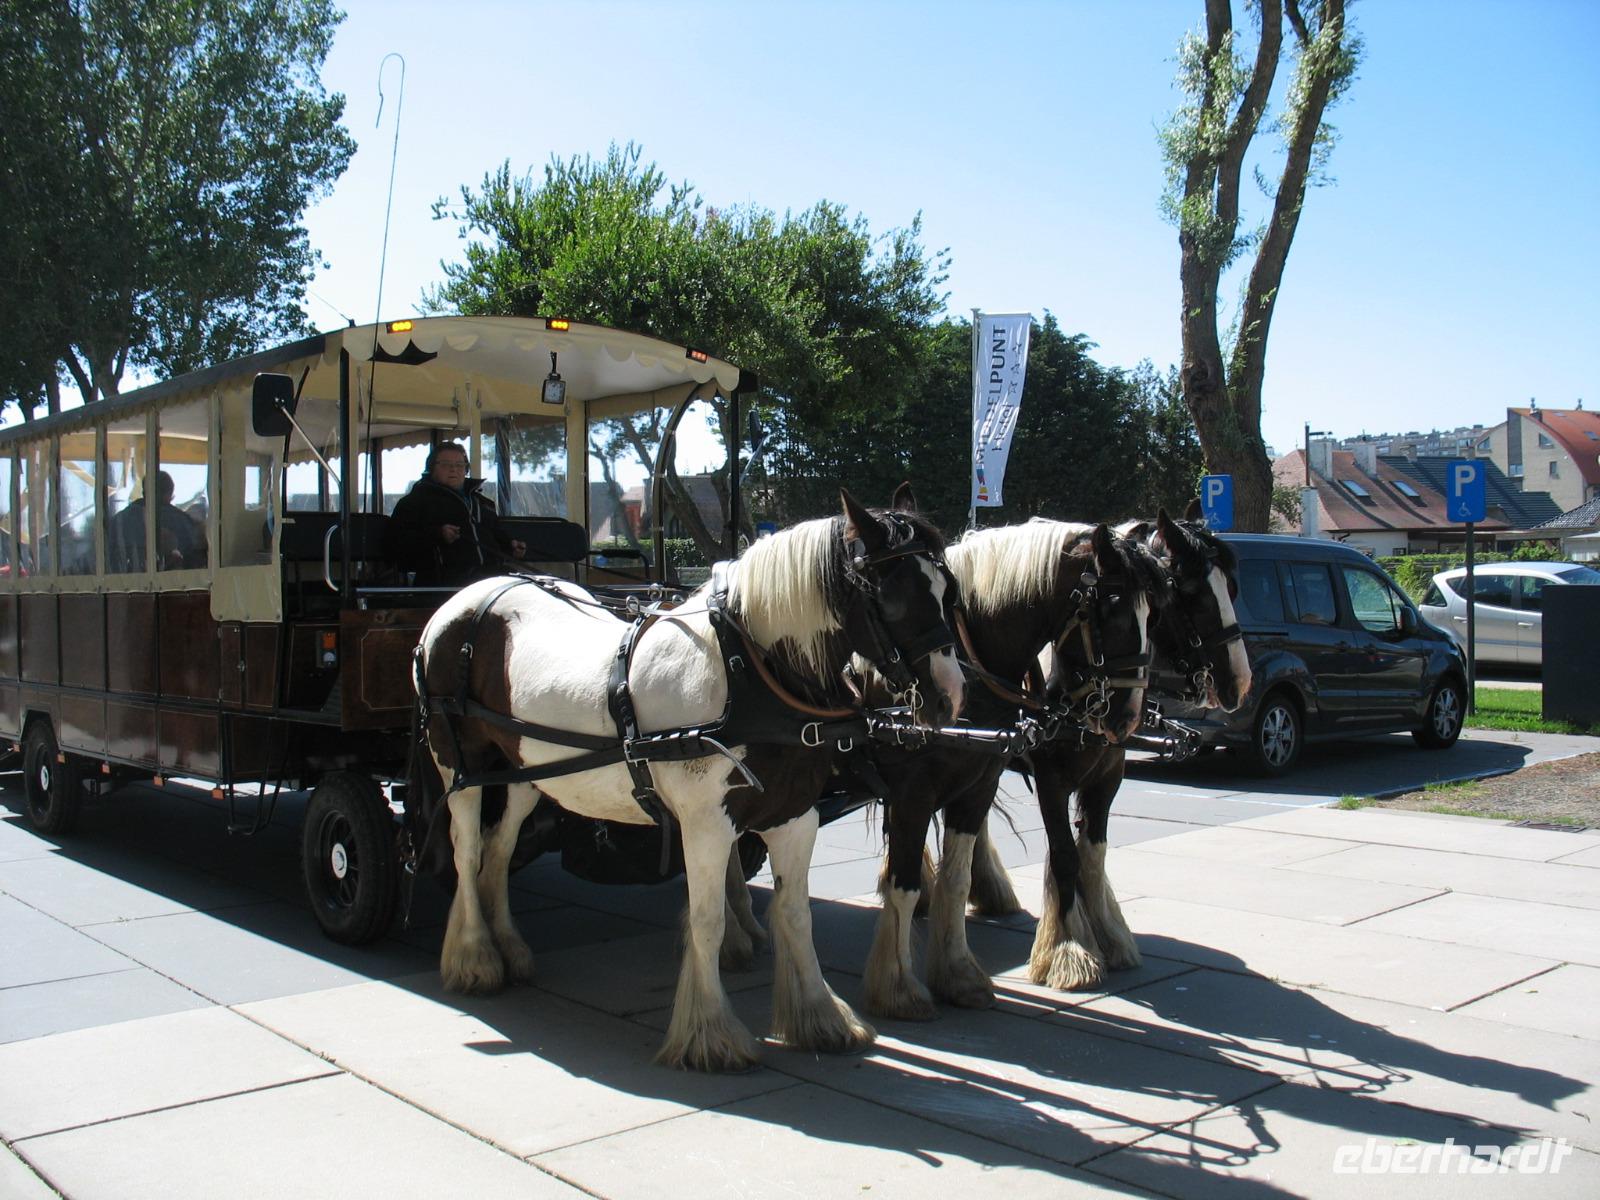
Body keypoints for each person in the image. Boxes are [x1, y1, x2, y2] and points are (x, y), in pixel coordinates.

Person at [384, 442, 526, 587]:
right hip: (441, 585)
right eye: (446, 464)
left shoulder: (484, 504)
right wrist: (437, 535)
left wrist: (511, 547)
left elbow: (497, 537)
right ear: (431, 469)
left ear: (466, 469)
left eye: (460, 465)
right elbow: (395, 545)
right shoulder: (414, 502)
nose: (453, 469)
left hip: (491, 581)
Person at [108, 470, 204, 571]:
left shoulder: (118, 522)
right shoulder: (181, 522)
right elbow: (194, 561)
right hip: (173, 584)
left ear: (144, 491)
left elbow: (108, 558)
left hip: (122, 584)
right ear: (169, 495)